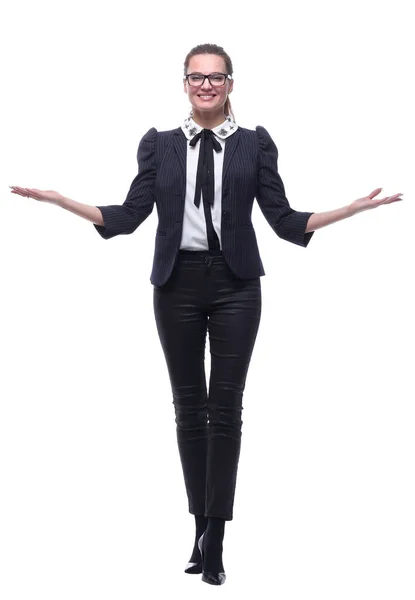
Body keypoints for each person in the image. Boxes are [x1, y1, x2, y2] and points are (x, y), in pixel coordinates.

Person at [9, 43, 403, 586]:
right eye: (197, 77)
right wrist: (61, 200)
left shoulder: (254, 145)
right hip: (175, 284)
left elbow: (286, 221)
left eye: (216, 77)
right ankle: (199, 524)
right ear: (185, 84)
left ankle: (216, 534)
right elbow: (126, 217)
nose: (206, 85)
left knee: (227, 408)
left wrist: (350, 211)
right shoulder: (161, 145)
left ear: (231, 84)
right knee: (188, 410)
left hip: (237, 283)